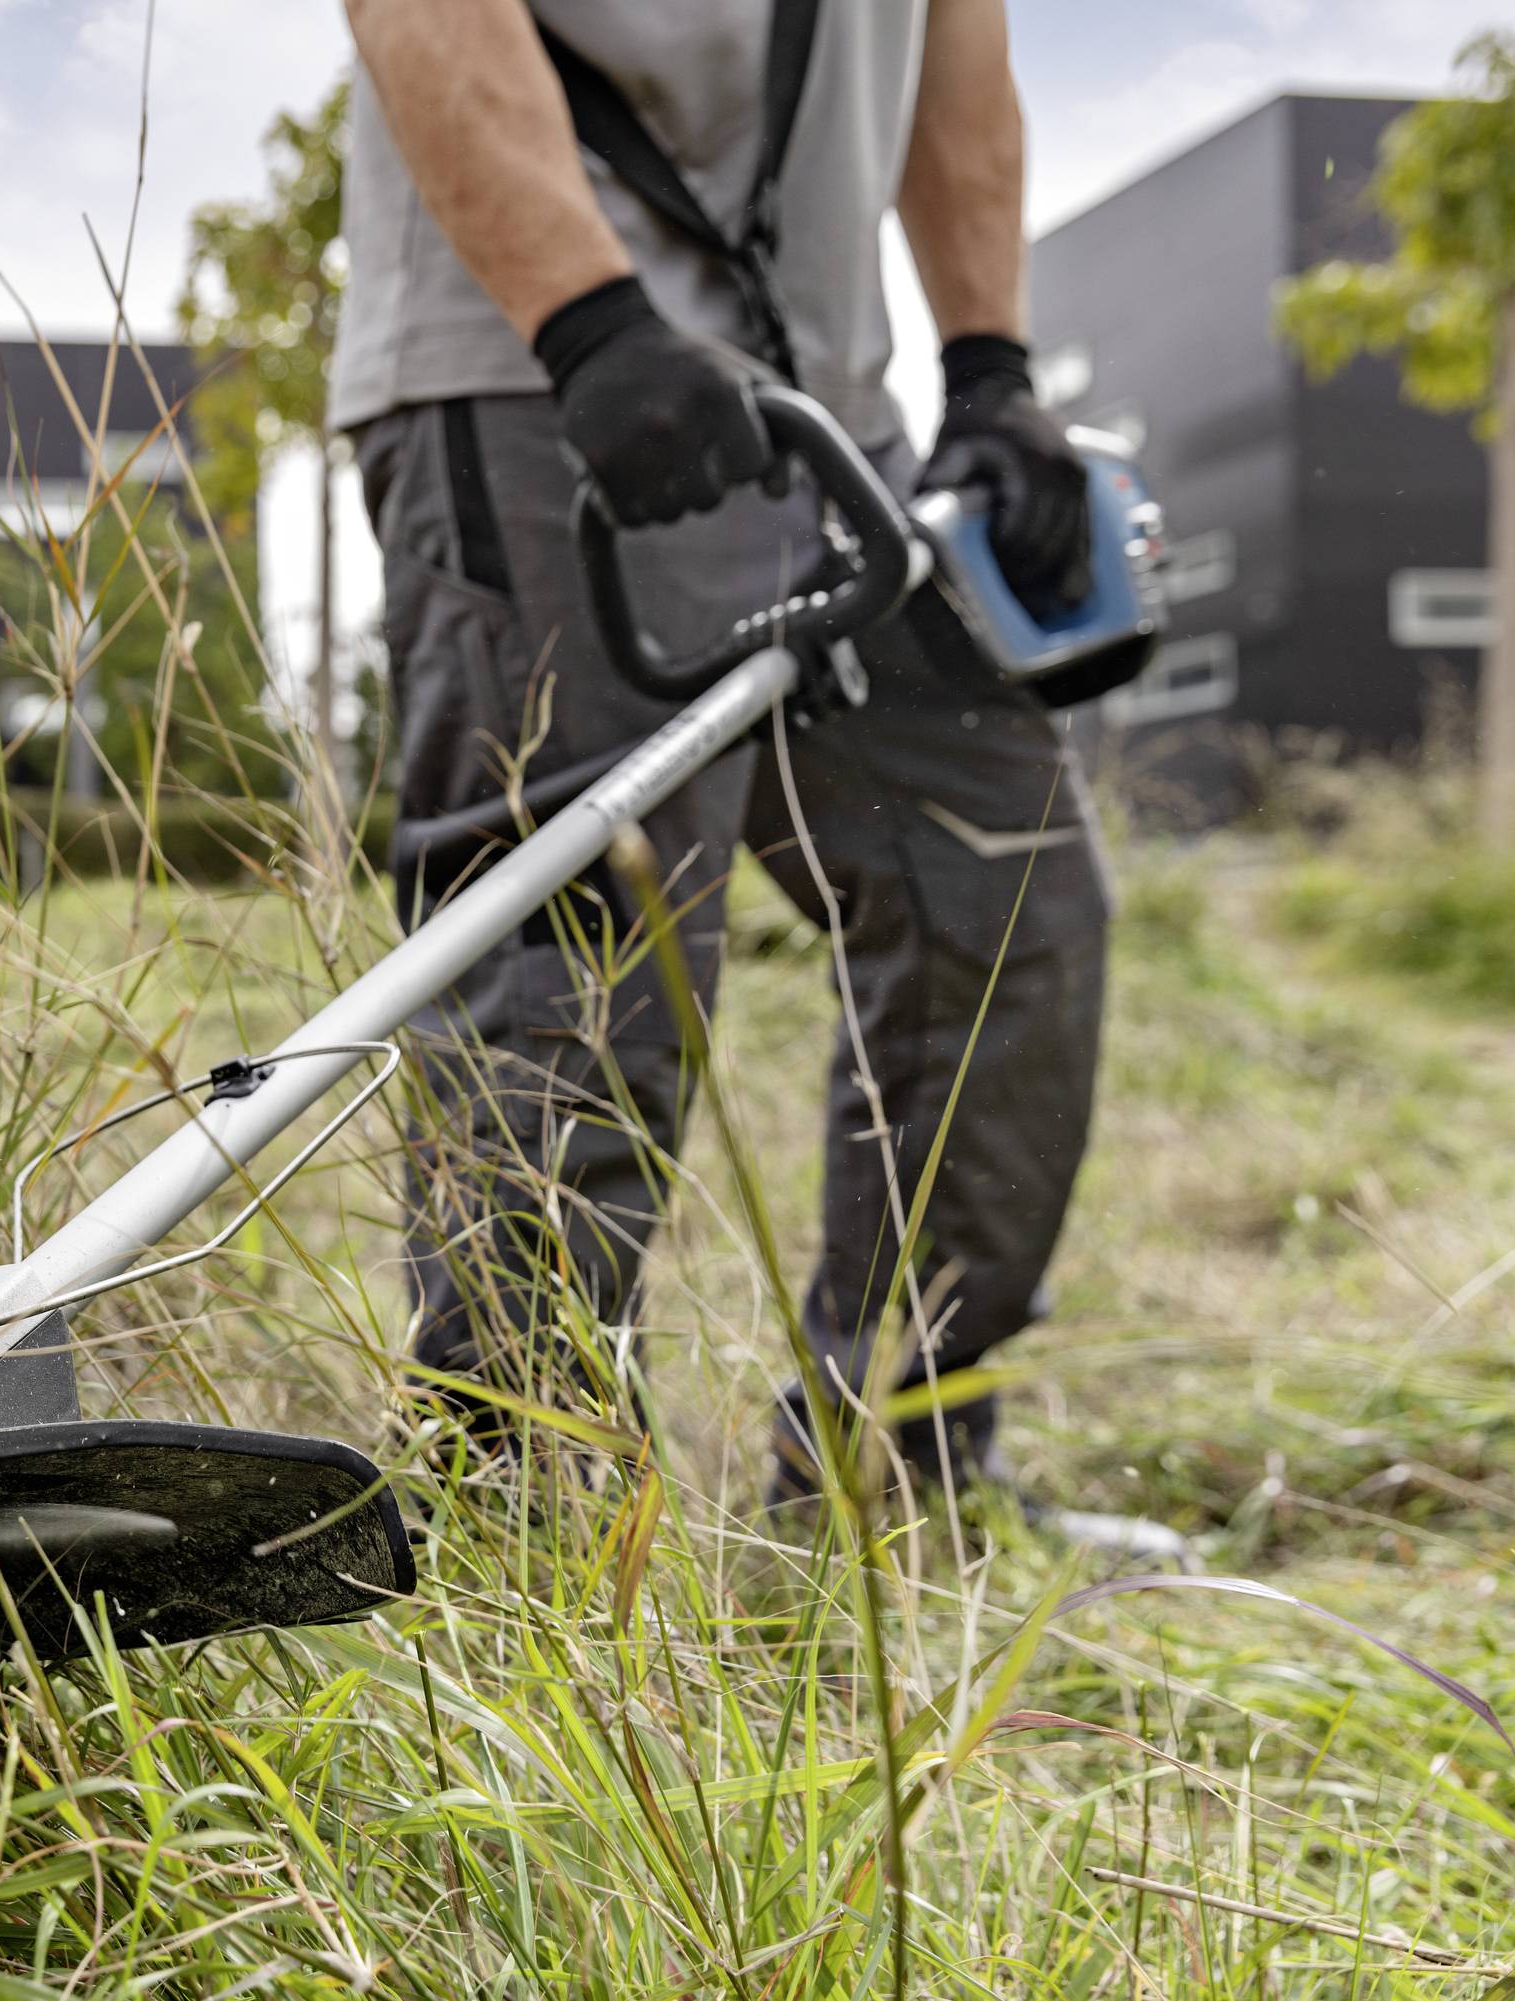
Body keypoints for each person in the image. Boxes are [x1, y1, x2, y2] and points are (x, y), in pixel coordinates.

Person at [335, 0, 1145, 1533]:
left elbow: (952, 51)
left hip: (832, 418)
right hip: (537, 371)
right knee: (577, 961)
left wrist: (988, 367)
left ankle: (894, 1473)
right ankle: (527, 1516)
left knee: (1004, 892)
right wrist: (587, 322)